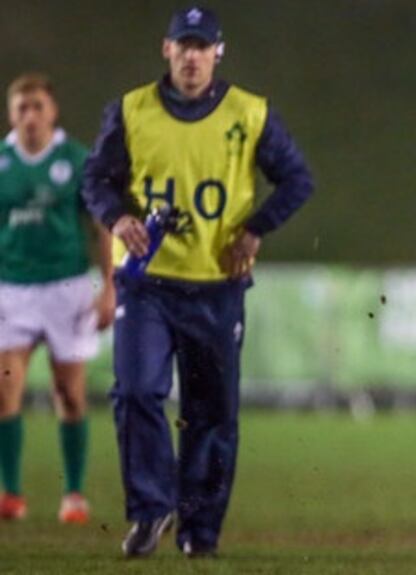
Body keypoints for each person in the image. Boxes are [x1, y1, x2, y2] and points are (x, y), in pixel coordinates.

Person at [81, 6, 313, 558]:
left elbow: (297, 178)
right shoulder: (132, 111)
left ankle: (199, 532)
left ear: (217, 53)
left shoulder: (249, 113)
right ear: (167, 51)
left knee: (212, 412)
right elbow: (96, 179)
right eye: (182, 45)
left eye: (201, 46)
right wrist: (118, 217)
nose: (191, 56)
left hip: (215, 284)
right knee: (135, 391)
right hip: (146, 282)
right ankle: (150, 508)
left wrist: (256, 230)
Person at [0, 73, 115, 524]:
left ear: (53, 112)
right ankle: (11, 493)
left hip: (66, 287)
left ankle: (73, 494)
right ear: (11, 114)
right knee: (5, 389)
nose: (30, 115)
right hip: (11, 289)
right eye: (22, 107)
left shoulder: (76, 159)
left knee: (68, 393)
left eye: (38, 107)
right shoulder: (2, 162)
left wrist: (109, 284)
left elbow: (101, 225)